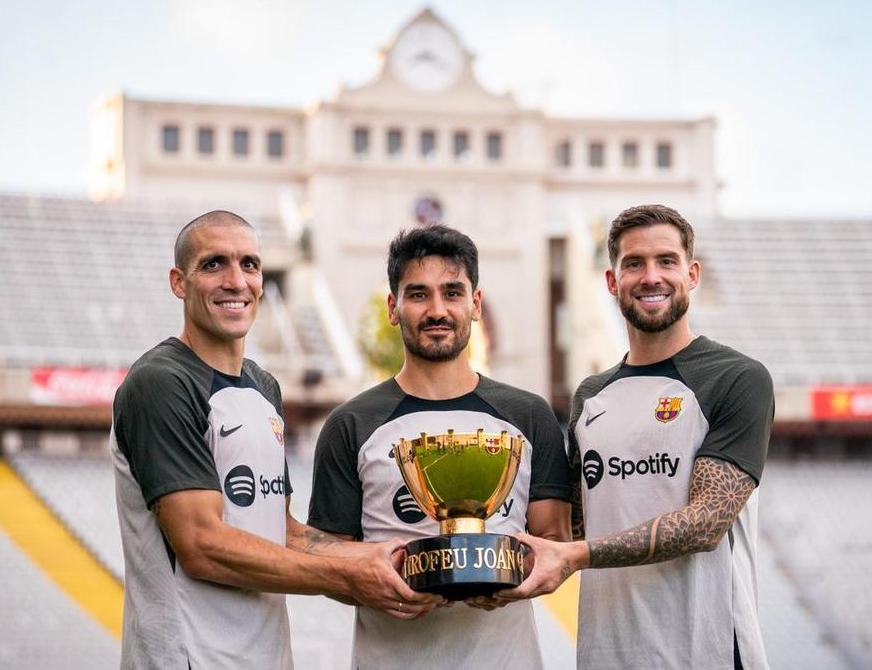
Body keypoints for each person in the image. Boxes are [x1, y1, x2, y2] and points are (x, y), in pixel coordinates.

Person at [110, 211, 439, 670]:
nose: (235, 281)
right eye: (213, 264)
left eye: (249, 264)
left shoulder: (262, 386)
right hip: (188, 658)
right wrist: (349, 574)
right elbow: (201, 545)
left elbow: (282, 532)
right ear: (178, 282)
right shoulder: (161, 381)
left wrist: (406, 559)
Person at [498, 204, 774, 670]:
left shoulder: (736, 378)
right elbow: (573, 527)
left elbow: (705, 523)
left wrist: (576, 554)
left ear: (692, 273)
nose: (651, 277)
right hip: (606, 652)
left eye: (666, 261)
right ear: (612, 281)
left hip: (706, 652)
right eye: (634, 264)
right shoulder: (591, 396)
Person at [307, 225, 572, 669]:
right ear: (393, 307)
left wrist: (508, 573)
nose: (437, 310)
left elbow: (553, 540)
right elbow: (325, 556)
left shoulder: (529, 416)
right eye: (418, 294)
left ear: (476, 304)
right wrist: (375, 580)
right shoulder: (351, 424)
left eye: (452, 292)